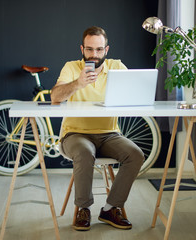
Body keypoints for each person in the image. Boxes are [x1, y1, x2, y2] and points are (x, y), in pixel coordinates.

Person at [51, 26, 144, 231]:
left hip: (109, 135)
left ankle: (111, 208)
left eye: (99, 50)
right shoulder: (72, 67)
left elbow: (136, 94)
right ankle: (83, 209)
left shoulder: (117, 67)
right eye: (90, 49)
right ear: (82, 49)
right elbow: (55, 97)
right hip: (75, 134)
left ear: (106, 50)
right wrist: (78, 83)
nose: (94, 54)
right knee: (85, 152)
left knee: (135, 154)